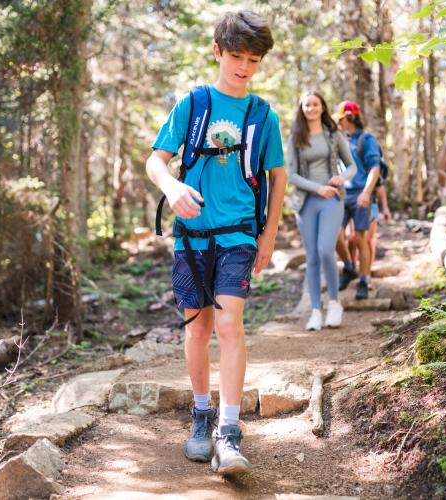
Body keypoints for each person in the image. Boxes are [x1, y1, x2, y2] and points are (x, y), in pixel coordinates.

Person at [145, 10, 285, 476]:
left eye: (253, 59)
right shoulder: (193, 104)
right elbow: (156, 160)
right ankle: (201, 415)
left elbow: (276, 177)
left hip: (239, 234)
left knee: (230, 326)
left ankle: (229, 430)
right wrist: (172, 187)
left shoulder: (263, 115)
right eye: (236, 56)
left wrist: (269, 235)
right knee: (198, 330)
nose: (244, 67)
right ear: (217, 52)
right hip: (191, 237)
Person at [286, 91, 356, 331]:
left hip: (332, 199)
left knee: (326, 250)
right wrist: (317, 188)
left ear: (322, 107)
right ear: (302, 108)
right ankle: (316, 310)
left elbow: (352, 167)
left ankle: (335, 303)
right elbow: (291, 174)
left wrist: (339, 177)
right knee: (312, 257)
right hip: (307, 201)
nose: (311, 108)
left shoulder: (333, 134)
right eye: (307, 105)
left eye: (315, 104)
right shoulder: (296, 136)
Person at [333, 100, 380, 300]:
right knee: (335, 233)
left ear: (349, 118)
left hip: (361, 193)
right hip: (341, 194)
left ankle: (363, 280)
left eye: (342, 119)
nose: (340, 122)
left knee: (361, 238)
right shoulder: (340, 139)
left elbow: (375, 168)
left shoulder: (366, 139)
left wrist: (367, 193)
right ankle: (349, 266)